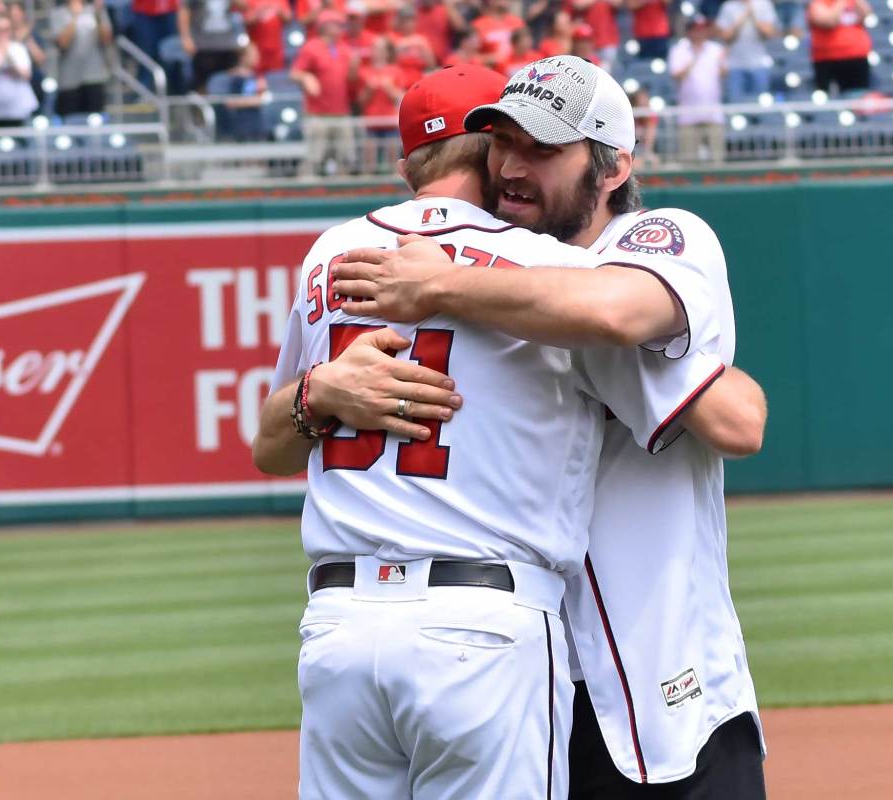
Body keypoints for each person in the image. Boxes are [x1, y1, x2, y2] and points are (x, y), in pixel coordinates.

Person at [253, 62, 731, 800]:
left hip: (338, 626)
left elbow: (266, 448)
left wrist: (318, 391)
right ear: (478, 154)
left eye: (534, 146)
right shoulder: (550, 269)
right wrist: (323, 393)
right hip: (484, 620)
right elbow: (725, 402)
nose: (511, 163)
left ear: (405, 159)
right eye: (501, 142)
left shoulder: (332, 256)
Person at [290, 8, 357, 174]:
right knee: (314, 157)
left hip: (341, 112)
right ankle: (307, 190)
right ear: (325, 26)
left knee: (346, 157)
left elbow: (351, 80)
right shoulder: (311, 47)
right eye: (337, 24)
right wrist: (306, 78)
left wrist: (355, 68)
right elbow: (295, 73)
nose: (341, 28)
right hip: (317, 114)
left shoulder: (345, 49)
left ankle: (345, 191)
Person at [669, 15, 727, 164]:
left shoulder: (716, 49)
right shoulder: (679, 50)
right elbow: (676, 75)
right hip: (688, 113)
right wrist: (694, 57)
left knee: (718, 160)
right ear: (689, 32)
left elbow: (724, 73)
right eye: (696, 30)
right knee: (688, 161)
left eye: (703, 29)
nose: (700, 33)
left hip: (713, 112)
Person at [51, 0, 113, 116]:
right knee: (70, 124)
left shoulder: (96, 10)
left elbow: (107, 40)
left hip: (94, 77)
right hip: (69, 80)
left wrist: (98, 15)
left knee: (96, 122)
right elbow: (63, 44)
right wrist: (74, 16)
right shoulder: (58, 13)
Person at [356, 35, 407, 170]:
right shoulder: (364, 71)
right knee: (369, 162)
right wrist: (368, 89)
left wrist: (389, 88)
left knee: (392, 161)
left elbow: (400, 98)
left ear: (387, 52)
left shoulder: (396, 71)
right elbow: (360, 101)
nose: (376, 52)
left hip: (389, 122)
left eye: (380, 48)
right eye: (374, 48)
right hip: (371, 121)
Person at [716, 0, 778, 101]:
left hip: (759, 64)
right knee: (736, 107)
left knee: (761, 108)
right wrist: (741, 19)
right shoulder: (728, 6)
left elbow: (768, 33)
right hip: (734, 65)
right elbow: (726, 37)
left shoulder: (764, 4)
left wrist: (753, 16)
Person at [806, 0, 872, 93]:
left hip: (857, 57)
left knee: (857, 95)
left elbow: (867, 15)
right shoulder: (819, 3)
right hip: (828, 59)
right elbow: (829, 22)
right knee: (828, 97)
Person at [180, 0, 244, 93]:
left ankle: (222, 106)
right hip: (203, 45)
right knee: (202, 85)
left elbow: (243, 5)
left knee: (228, 84)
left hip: (228, 45)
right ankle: (200, 105)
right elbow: (184, 11)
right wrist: (186, 38)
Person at [244, 0, 293, 72]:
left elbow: (289, 18)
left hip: (276, 49)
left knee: (276, 76)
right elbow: (246, 22)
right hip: (256, 49)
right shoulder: (250, 1)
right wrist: (260, 11)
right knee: (256, 76)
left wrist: (279, 10)